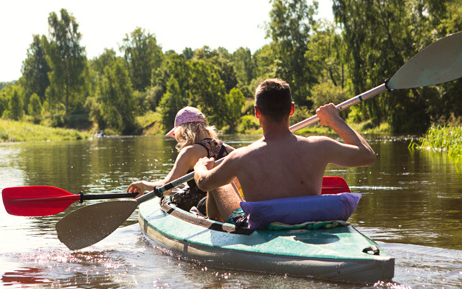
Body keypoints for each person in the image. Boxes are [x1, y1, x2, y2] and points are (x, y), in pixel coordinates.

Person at [193, 78, 376, 225]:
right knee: (231, 179)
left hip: (263, 227)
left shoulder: (241, 157)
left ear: (257, 112)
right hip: (308, 221)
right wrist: (335, 120)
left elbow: (204, 183)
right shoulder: (319, 146)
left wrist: (202, 167)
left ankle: (215, 227)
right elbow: (367, 155)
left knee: (220, 183)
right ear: (292, 109)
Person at [127, 106, 234, 212]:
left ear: (183, 131)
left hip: (203, 207)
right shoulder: (229, 150)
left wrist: (144, 185)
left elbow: (166, 187)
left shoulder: (189, 152)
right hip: (228, 204)